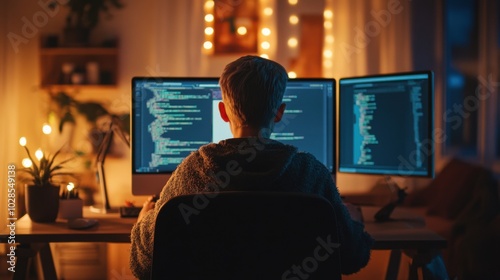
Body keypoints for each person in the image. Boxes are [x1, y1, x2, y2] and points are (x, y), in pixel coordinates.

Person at [130, 55, 373, 279]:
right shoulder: (310, 172)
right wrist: (352, 221)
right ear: (279, 112)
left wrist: (145, 219)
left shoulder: (193, 170)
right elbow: (352, 257)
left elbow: (144, 263)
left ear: (223, 112)